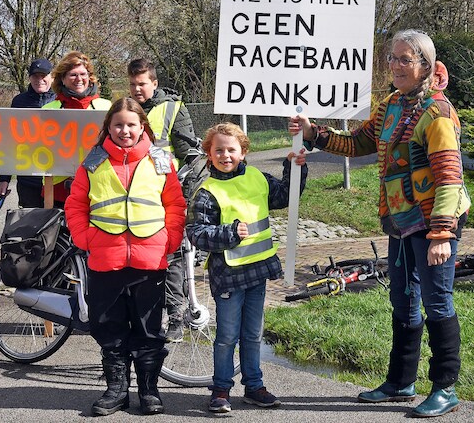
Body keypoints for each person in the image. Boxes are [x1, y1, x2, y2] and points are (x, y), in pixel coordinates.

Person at [290, 29, 469, 418]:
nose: (396, 65)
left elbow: (449, 177)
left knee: (438, 303)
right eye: (393, 58)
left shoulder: (437, 112)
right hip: (400, 222)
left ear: (425, 66)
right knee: (402, 300)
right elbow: (358, 143)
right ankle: (400, 382)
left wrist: (441, 233)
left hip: (433, 221)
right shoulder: (391, 105)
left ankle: (445, 388)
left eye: (406, 59)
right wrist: (312, 133)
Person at [64, 98, 186, 416]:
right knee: (109, 327)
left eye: (132, 124)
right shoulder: (94, 159)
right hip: (105, 260)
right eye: (118, 124)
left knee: (148, 330)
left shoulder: (160, 157)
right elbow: (76, 204)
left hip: (150, 260)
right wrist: (85, 238)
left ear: (142, 125)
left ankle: (148, 391)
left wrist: (170, 239)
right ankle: (116, 390)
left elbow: (175, 203)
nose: (125, 130)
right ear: (109, 127)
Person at [185, 123, 307, 414]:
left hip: (258, 270)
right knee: (227, 336)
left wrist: (295, 168)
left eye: (231, 150)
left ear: (243, 152)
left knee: (253, 334)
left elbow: (284, 196)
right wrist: (228, 233)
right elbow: (196, 232)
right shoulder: (206, 192)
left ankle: (254, 386)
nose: (225, 155)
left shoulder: (257, 178)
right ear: (209, 153)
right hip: (227, 275)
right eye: (219, 150)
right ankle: (221, 389)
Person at [128, 57, 204, 343]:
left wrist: (185, 197)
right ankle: (143, 317)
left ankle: (175, 316)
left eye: (143, 84)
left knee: (170, 256)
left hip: (167, 194)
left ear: (154, 83)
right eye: (133, 84)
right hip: (133, 197)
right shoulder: (126, 110)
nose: (137, 89)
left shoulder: (173, 109)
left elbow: (192, 157)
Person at [43, 51, 112, 207]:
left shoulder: (107, 107)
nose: (79, 79)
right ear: (63, 78)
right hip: (58, 188)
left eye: (83, 74)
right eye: (73, 75)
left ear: (90, 77)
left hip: (99, 184)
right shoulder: (48, 109)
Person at [0, 58, 57, 208]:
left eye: (43, 76)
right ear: (30, 78)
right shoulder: (19, 102)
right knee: (31, 226)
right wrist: (4, 179)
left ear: (52, 77)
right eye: (35, 76)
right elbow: (10, 141)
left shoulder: (61, 101)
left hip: (56, 179)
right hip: (28, 179)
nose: (39, 80)